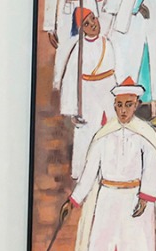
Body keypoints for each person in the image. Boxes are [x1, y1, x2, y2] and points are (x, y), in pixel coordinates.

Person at [64, 78, 156, 251]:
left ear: (136, 105)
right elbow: (90, 172)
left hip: (134, 200)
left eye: (128, 105)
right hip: (107, 198)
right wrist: (73, 201)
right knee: (103, 247)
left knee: (137, 249)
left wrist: (145, 197)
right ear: (114, 106)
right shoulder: (104, 135)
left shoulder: (145, 134)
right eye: (119, 105)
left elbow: (152, 167)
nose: (123, 110)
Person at [56, 8, 121, 180]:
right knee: (87, 133)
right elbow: (70, 79)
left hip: (108, 91)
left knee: (111, 128)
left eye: (93, 18)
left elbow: (118, 71)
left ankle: (110, 170)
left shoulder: (108, 43)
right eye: (86, 23)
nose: (92, 24)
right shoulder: (79, 48)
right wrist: (72, 109)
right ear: (81, 29)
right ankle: (83, 174)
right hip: (88, 94)